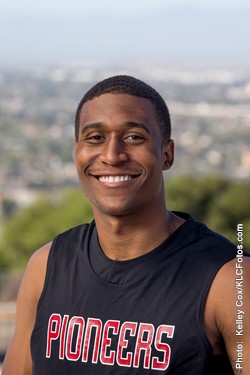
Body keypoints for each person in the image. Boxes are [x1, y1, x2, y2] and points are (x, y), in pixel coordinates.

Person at [2, 75, 250, 375]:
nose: (112, 155)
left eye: (134, 137)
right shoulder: (46, 267)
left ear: (167, 154)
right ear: (76, 152)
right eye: (95, 138)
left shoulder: (230, 280)